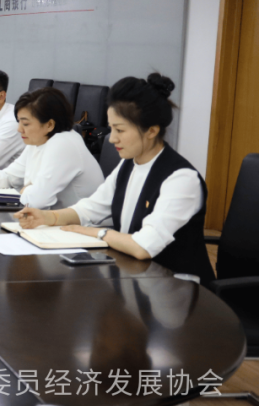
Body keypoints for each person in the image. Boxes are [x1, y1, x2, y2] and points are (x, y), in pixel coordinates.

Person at [15, 74, 215, 284]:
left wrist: (96, 233)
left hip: (177, 288)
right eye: (111, 129)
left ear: (151, 131)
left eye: (120, 130)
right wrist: (46, 218)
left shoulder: (181, 179)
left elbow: (143, 246)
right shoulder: (129, 164)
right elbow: (89, 209)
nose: (111, 138)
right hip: (136, 278)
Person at [0, 87, 104, 209]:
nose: (19, 129)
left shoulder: (63, 143)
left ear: (49, 125)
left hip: (84, 226)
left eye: (25, 124)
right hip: (54, 221)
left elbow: (37, 201)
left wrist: (26, 190)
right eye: (19, 122)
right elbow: (10, 177)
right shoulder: (39, 140)